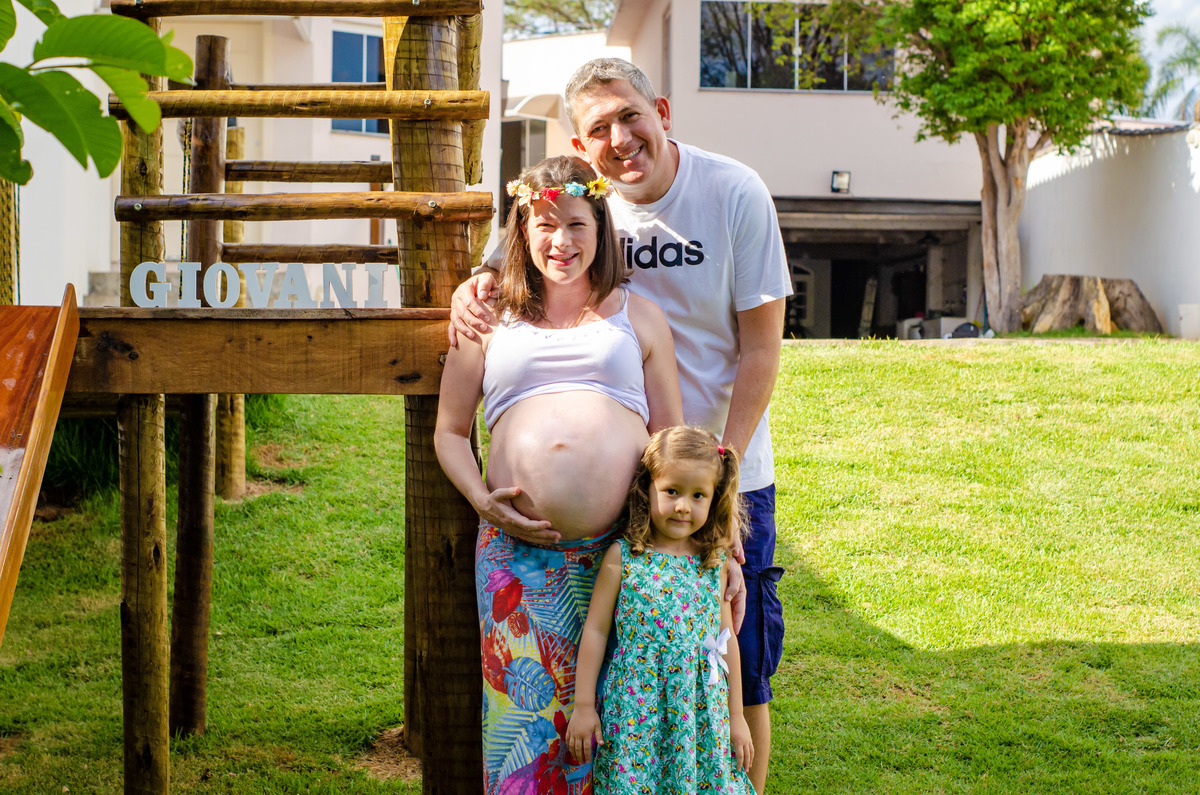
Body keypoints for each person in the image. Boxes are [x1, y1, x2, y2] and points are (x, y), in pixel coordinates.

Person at [451, 58, 791, 793]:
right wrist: (468, 289)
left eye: (630, 116)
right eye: (598, 128)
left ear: (661, 111)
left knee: (734, 667)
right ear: (579, 144)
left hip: (719, 472)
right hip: (634, 495)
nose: (619, 138)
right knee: (626, 690)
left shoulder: (733, 191)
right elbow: (505, 264)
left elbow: (763, 348)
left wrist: (718, 481)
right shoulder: (580, 202)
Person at [434, 154, 683, 794]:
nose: (561, 241)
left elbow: (671, 445)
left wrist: (705, 544)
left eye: (576, 224)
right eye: (544, 225)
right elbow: (450, 432)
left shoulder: (639, 318)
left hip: (623, 557)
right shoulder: (486, 318)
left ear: (600, 228)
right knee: (524, 730)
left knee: (620, 729)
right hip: (517, 560)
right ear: (522, 230)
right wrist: (481, 499)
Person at [567, 426, 754, 794]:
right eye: (672, 491)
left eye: (698, 495)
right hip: (638, 709)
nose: (683, 505)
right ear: (647, 488)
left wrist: (737, 717)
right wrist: (584, 705)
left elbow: (725, 639)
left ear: (713, 499)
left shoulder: (713, 563)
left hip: (700, 710)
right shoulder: (624, 557)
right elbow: (596, 631)